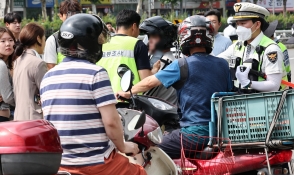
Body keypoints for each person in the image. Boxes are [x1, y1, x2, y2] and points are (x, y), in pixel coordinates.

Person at [40, 14, 151, 175]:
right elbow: (112, 123)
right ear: (89, 43)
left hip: (60, 162)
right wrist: (123, 147)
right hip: (94, 161)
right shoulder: (96, 73)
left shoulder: (48, 77)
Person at [117, 15, 231, 159]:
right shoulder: (223, 64)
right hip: (220, 132)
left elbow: (150, 81)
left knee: (148, 147)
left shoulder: (182, 64)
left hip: (194, 134)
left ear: (183, 38)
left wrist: (128, 92)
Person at [218, 2, 284, 93]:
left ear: (257, 24)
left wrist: (248, 83)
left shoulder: (270, 49)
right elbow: (217, 61)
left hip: (262, 103)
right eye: (237, 24)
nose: (239, 28)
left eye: (243, 23)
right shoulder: (238, 45)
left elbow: (274, 85)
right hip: (240, 102)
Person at [96, 9, 152, 93]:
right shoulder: (137, 44)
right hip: (129, 101)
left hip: (104, 99)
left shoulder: (102, 43)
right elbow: (146, 81)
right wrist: (154, 71)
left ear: (117, 26)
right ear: (134, 26)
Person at [139, 16, 178, 105]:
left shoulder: (168, 61)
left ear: (165, 38)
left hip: (164, 112)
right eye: (149, 37)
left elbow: (148, 84)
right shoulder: (153, 57)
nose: (149, 41)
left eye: (153, 37)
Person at [13, 23, 47, 120]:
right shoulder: (38, 63)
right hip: (34, 118)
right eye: (44, 39)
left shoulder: (17, 60)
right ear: (38, 39)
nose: (45, 43)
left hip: (19, 116)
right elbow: (46, 94)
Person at [43, 0, 81, 70]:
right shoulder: (53, 40)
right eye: (68, 14)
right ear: (60, 16)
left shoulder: (85, 37)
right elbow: (51, 68)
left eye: (75, 14)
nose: (72, 18)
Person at [0, 28, 15, 122]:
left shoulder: (6, 64)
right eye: (2, 41)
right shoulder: (1, 64)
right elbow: (8, 97)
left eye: (10, 40)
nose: (8, 44)